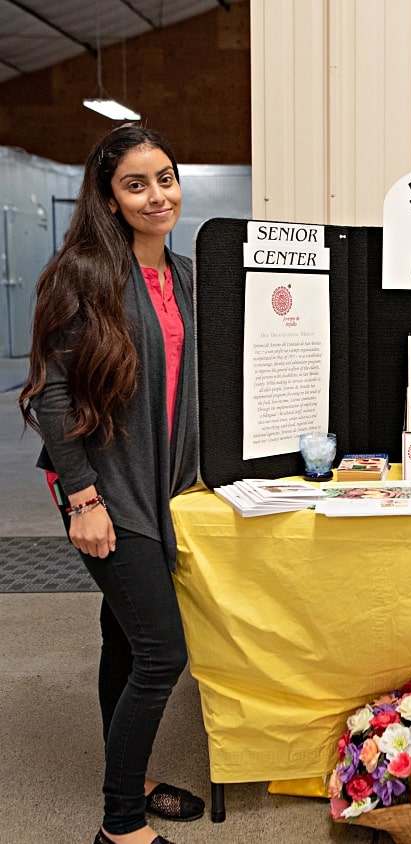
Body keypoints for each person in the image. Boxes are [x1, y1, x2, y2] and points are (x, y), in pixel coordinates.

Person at [18, 126, 203, 844]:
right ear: (109, 197)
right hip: (106, 488)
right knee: (162, 652)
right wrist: (83, 499)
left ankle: (133, 774)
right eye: (136, 184)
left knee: (123, 641)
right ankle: (118, 823)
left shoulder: (187, 275)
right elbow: (53, 396)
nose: (157, 195)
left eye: (165, 178)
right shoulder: (82, 276)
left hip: (163, 483)